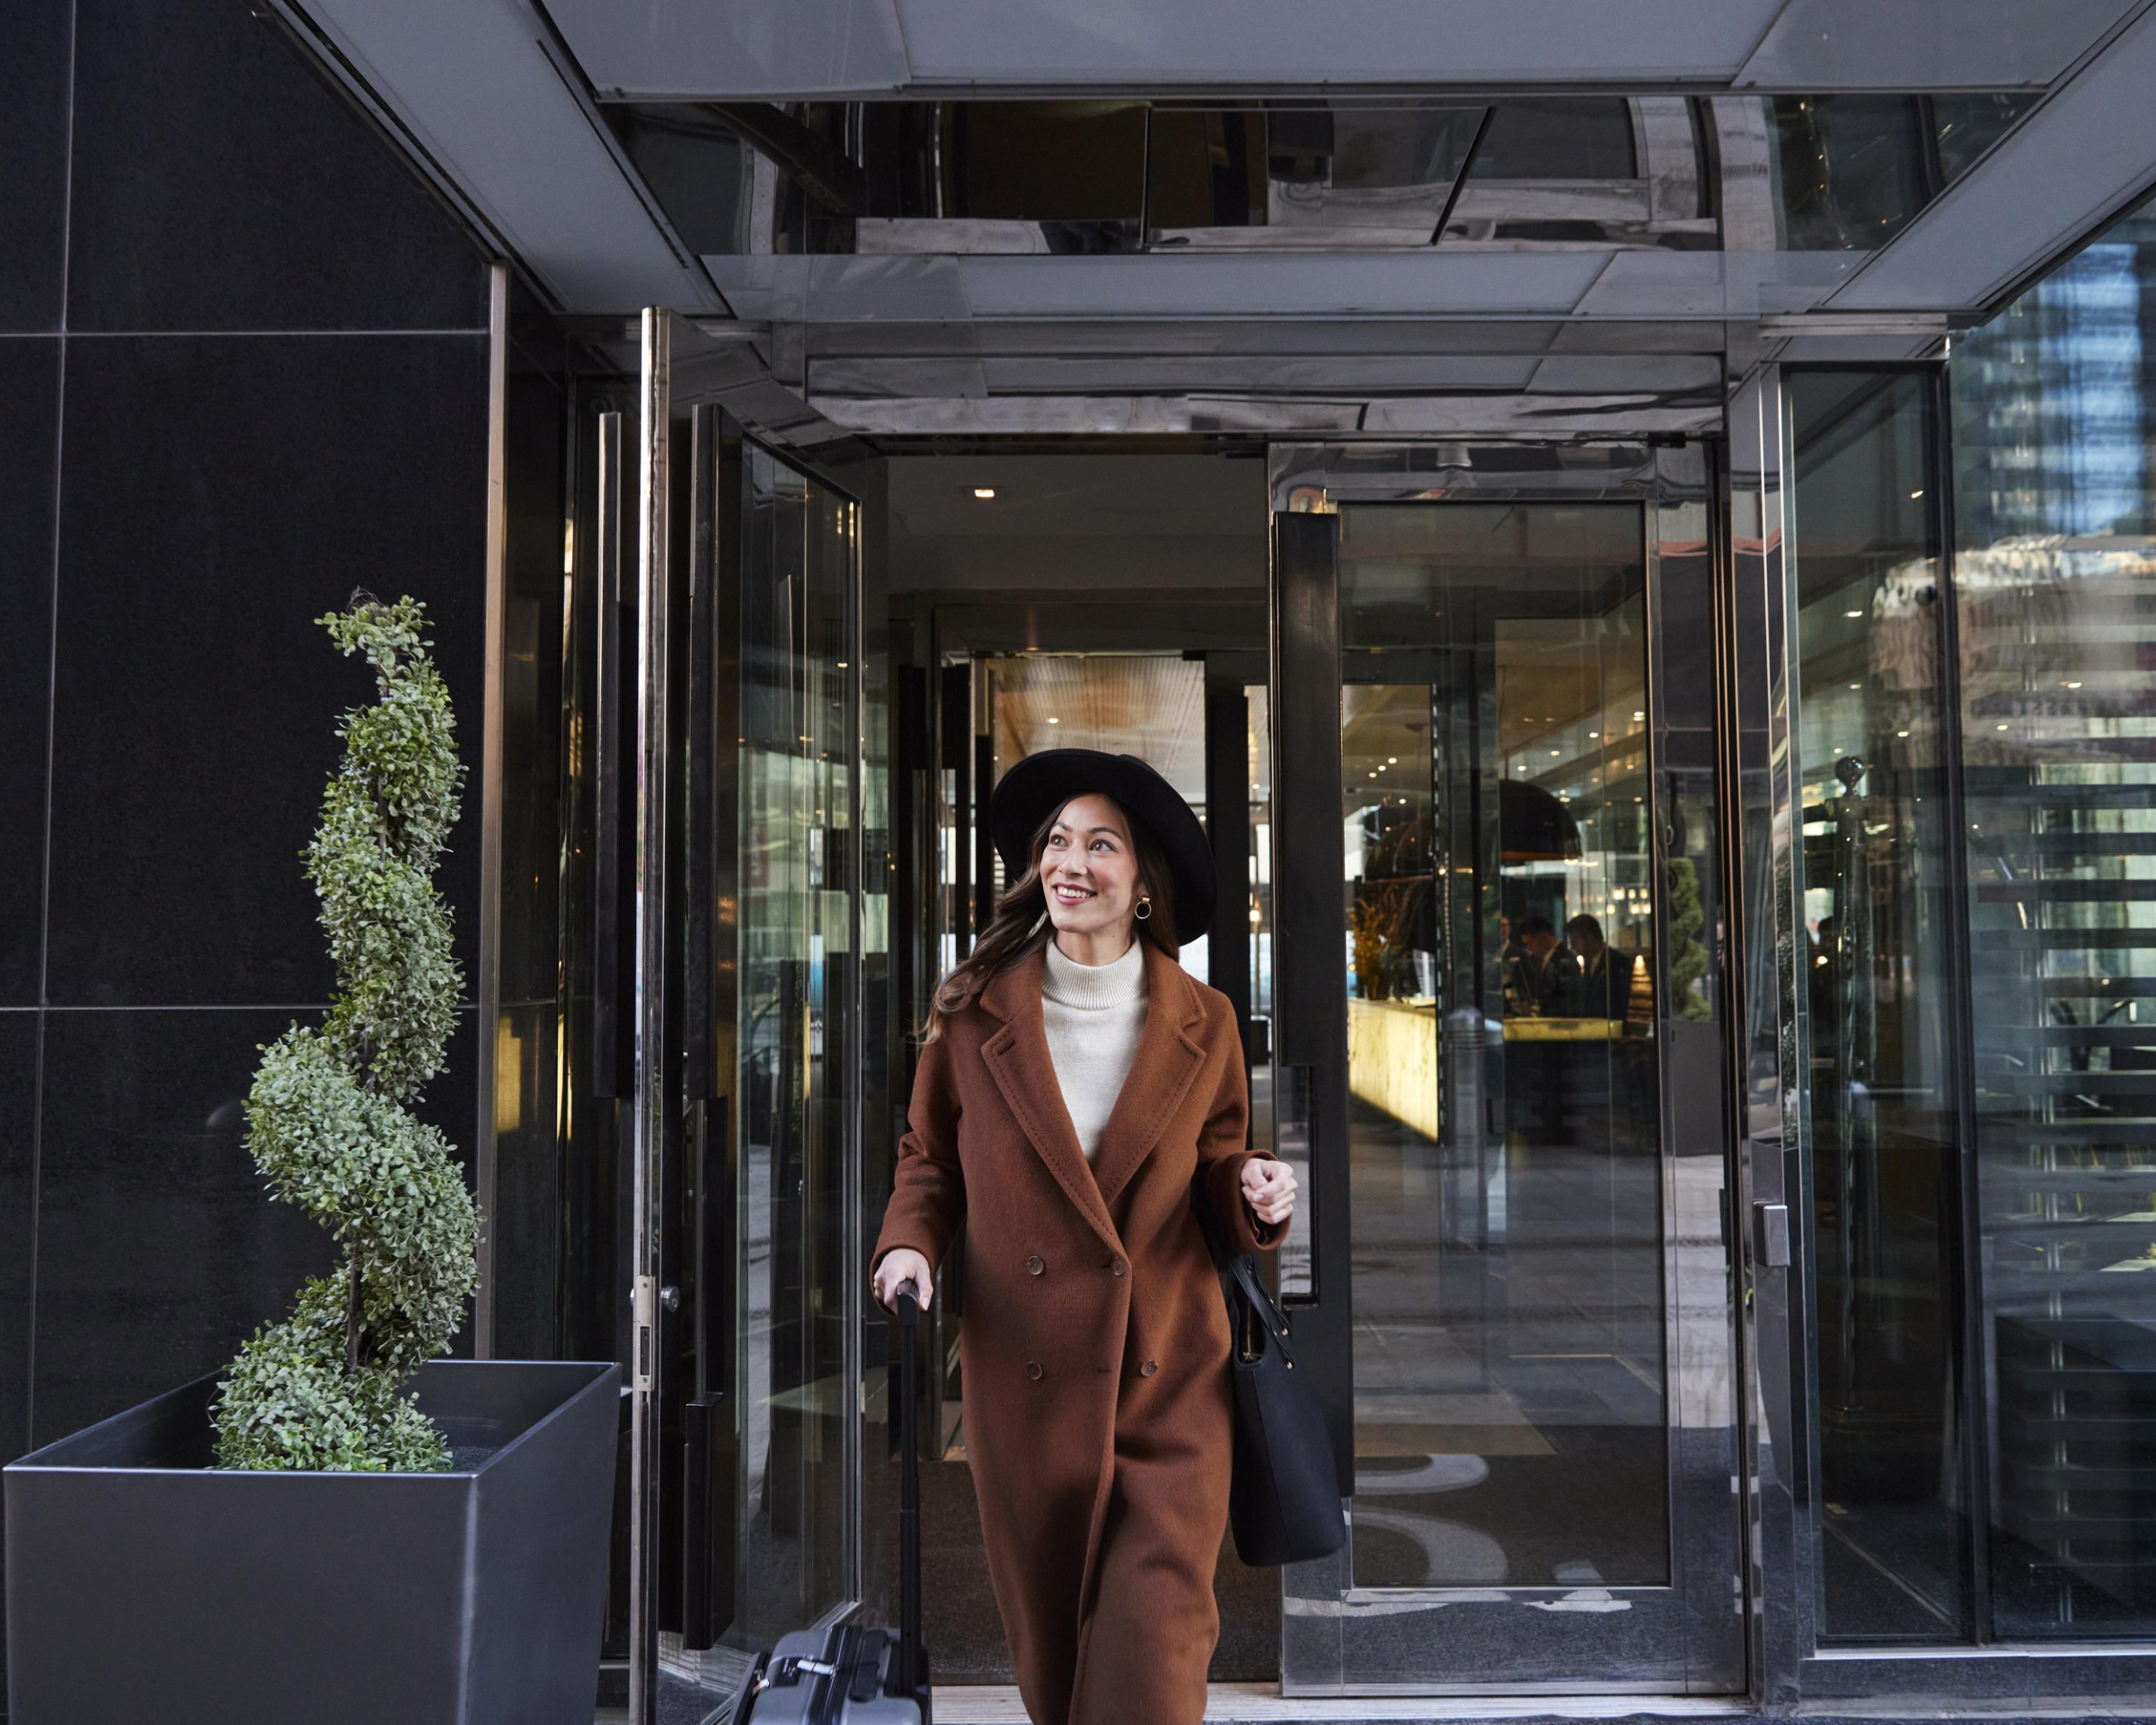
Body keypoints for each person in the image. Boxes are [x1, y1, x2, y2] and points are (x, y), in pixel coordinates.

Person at [870, 749, 1297, 1725]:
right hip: (1029, 1378)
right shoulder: (976, 1013)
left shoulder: (1206, 1019)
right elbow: (929, 1157)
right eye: (1057, 841)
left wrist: (1257, 1192)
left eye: (1101, 844)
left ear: (1142, 883)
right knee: (1059, 1679)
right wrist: (909, 1246)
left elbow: (1217, 1171)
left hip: (1172, 1375)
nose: (1071, 861)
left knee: (1152, 1664)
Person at [1563, 914, 1637, 1022]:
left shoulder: (1615, 962)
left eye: (1574, 941)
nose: (1573, 947)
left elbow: (1620, 1003)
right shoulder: (1589, 964)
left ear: (1590, 937)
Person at [1505, 914, 1578, 1017]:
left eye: (1530, 943)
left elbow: (1567, 1001)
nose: (1528, 949)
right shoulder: (1541, 960)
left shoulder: (1564, 959)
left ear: (1544, 938)